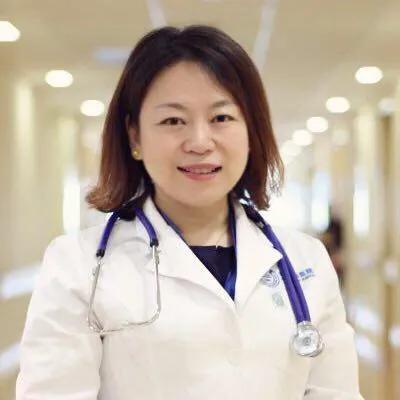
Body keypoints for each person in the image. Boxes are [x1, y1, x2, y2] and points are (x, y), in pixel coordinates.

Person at [16, 25, 363, 399]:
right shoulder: (77, 266)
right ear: (135, 136)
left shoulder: (306, 260)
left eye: (221, 118)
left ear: (251, 131)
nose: (199, 142)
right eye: (173, 121)